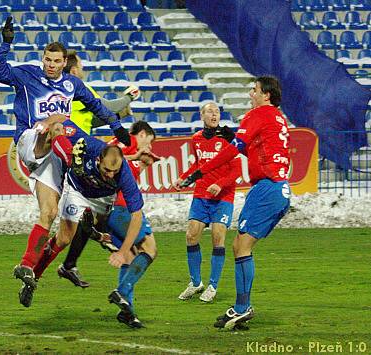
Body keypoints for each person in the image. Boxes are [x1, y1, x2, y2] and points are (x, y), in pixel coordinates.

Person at [0, 16, 131, 297]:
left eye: (56, 61)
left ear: (64, 62)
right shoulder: (28, 74)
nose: (51, 65)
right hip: (33, 141)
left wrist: (117, 126)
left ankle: (29, 270)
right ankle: (77, 166)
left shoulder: (72, 84)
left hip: (55, 158)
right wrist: (6, 43)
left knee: (58, 223)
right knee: (58, 122)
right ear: (42, 59)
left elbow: (96, 106)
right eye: (47, 60)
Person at [180, 76, 291, 330]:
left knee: (241, 247)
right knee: (240, 245)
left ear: (267, 95)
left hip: (266, 188)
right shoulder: (278, 117)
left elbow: (232, 150)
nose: (250, 94)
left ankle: (242, 308)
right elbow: (258, 148)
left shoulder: (258, 114)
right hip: (279, 188)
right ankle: (241, 308)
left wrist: (200, 172)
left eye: (255, 90)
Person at [21, 121, 151, 328]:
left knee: (129, 245)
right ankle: (33, 277)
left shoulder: (123, 174)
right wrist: (68, 154)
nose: (110, 174)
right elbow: (56, 127)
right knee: (64, 238)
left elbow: (136, 215)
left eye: (114, 172)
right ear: (98, 159)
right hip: (77, 192)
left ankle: (92, 235)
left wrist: (122, 251)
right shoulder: (87, 145)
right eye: (107, 170)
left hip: (104, 201)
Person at [56, 121, 159, 328]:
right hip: (119, 207)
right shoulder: (127, 143)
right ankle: (122, 291)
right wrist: (139, 158)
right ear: (140, 134)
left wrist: (140, 160)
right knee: (149, 248)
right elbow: (121, 167)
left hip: (105, 210)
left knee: (129, 256)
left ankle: (127, 312)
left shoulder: (112, 148)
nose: (148, 147)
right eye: (148, 141)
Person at [173, 102, 241, 303]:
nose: (214, 114)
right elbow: (199, 164)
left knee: (217, 236)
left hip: (223, 196)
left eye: (217, 112)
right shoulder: (196, 139)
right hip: (202, 193)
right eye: (210, 111)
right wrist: (184, 177)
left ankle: (212, 285)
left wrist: (220, 185)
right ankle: (195, 283)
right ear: (201, 115)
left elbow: (236, 170)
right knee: (191, 235)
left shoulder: (228, 138)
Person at [63, 51, 141, 135]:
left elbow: (89, 122)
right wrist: (131, 96)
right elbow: (110, 107)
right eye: (80, 64)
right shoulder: (79, 89)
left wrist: (118, 116)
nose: (82, 67)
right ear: (74, 71)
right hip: (75, 140)